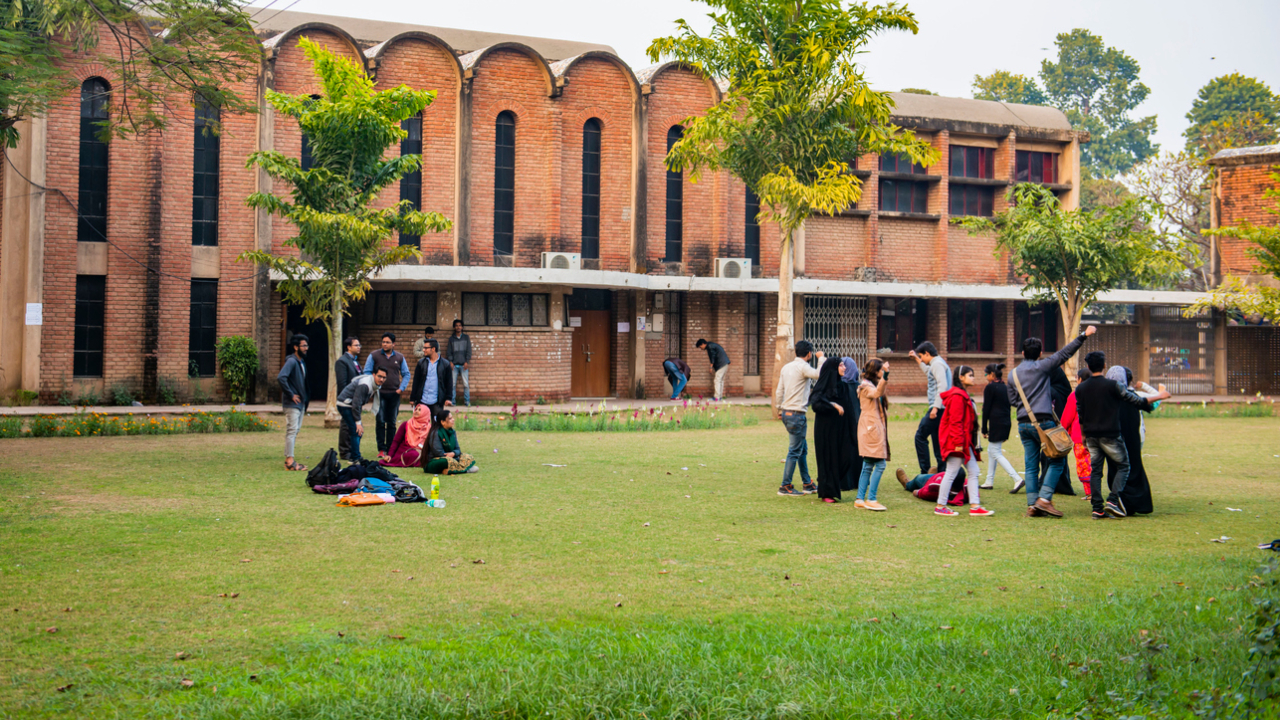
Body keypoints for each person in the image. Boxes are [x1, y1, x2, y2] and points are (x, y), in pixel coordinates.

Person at [1008, 325, 1095, 518]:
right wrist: (1083, 335)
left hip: (1023, 424)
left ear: (1022, 353)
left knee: (1030, 465)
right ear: (1040, 353)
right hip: (1044, 421)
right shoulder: (1044, 366)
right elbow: (1065, 353)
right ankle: (1045, 499)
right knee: (1058, 458)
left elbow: (1013, 401)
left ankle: (1032, 504)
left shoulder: (1012, 374)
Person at [1102, 365, 1168, 516]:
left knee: (1116, 468)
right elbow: (1147, 404)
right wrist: (1159, 395)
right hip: (1132, 438)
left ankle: (1117, 501)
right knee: (1133, 467)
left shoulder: (1108, 397)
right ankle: (1135, 503)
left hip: (1112, 438)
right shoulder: (1131, 396)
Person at [932, 365, 993, 517]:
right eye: (970, 375)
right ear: (961, 377)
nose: (973, 378)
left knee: (973, 471)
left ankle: (975, 505)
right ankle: (941, 505)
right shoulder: (958, 397)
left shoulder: (961, 395)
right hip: (957, 442)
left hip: (964, 442)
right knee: (951, 472)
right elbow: (955, 422)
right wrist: (959, 444)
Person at [773, 341, 826, 496]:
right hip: (797, 414)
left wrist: (779, 408)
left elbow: (779, 390)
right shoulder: (802, 367)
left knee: (802, 449)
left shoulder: (786, 367)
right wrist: (821, 358)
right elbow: (818, 375)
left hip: (787, 413)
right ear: (809, 353)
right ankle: (785, 486)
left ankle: (807, 483)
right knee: (795, 451)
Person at [809, 357, 856, 504]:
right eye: (841, 365)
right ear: (833, 369)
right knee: (828, 460)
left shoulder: (843, 387)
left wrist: (853, 430)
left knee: (845, 458)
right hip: (826, 431)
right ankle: (827, 492)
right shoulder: (822, 388)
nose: (844, 368)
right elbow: (816, 404)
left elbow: (849, 409)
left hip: (841, 430)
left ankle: (832, 485)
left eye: (843, 365)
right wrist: (832, 405)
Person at [363, 332, 411, 456]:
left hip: (394, 394)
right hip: (379, 394)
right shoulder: (374, 355)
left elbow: (406, 374)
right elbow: (367, 372)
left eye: (388, 342)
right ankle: (381, 449)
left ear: (393, 344)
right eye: (383, 342)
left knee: (391, 422)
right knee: (380, 421)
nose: (385, 344)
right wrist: (373, 387)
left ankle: (390, 449)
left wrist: (401, 388)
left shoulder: (399, 357)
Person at [979, 363, 1023, 492]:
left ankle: (1017, 479)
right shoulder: (1006, 387)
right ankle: (989, 481)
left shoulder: (990, 388)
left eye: (986, 374)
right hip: (1005, 422)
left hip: (995, 422)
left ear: (992, 375)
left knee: (995, 452)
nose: (985, 376)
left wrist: (984, 428)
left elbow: (986, 409)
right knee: (992, 451)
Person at [908, 342, 950, 475]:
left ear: (927, 353)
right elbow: (928, 373)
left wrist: (935, 408)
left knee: (920, 436)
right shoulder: (936, 363)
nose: (922, 360)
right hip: (942, 407)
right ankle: (942, 471)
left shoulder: (937, 364)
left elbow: (942, 386)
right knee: (937, 440)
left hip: (939, 407)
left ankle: (925, 470)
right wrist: (916, 359)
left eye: (922, 356)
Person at [855, 357, 891, 511]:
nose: (882, 372)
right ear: (876, 371)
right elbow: (877, 393)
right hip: (871, 429)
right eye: (881, 369)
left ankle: (860, 499)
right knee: (880, 464)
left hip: (871, 427)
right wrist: (886, 376)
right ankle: (871, 498)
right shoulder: (866, 387)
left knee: (868, 465)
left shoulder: (868, 385)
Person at [335, 367, 386, 464]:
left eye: (384, 377)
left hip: (350, 405)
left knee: (357, 431)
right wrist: (358, 422)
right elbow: (356, 404)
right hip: (345, 404)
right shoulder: (365, 385)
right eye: (379, 376)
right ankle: (355, 458)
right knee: (356, 430)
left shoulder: (375, 385)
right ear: (373, 375)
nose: (382, 379)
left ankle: (353, 455)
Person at [1042, 365, 1078, 497]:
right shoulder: (1063, 389)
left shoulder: (1051, 391)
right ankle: (1061, 484)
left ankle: (1049, 484)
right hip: (1061, 428)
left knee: (1050, 456)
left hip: (1051, 428)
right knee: (1060, 456)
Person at [1058, 367, 1093, 499]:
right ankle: (1095, 490)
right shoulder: (1096, 393)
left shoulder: (1075, 395)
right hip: (1096, 434)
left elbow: (1068, 416)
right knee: (1094, 463)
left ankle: (1090, 492)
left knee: (1083, 464)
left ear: (1079, 379)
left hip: (1079, 436)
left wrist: (1063, 430)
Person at [277, 333, 310, 472]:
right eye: (303, 346)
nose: (306, 348)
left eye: (307, 345)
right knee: (292, 430)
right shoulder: (291, 361)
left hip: (300, 403)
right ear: (296, 347)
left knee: (294, 430)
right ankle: (289, 461)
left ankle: (289, 459)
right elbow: (281, 377)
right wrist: (291, 395)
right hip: (292, 404)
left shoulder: (300, 362)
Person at [838, 356, 865, 496]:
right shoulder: (858, 386)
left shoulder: (840, 386)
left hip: (844, 427)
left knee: (845, 452)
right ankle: (857, 481)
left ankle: (846, 481)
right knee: (856, 452)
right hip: (858, 425)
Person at [410, 338, 455, 420]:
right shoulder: (421, 363)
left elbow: (449, 382)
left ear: (433, 349)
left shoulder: (445, 364)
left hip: (437, 401)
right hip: (422, 400)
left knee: (436, 426)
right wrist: (413, 398)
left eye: (426, 348)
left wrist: (448, 398)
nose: (423, 350)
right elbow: (416, 381)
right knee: (421, 424)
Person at [333, 337, 363, 462]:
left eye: (359, 344)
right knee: (346, 424)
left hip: (355, 399)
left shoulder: (355, 361)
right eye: (356, 345)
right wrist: (347, 398)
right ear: (348, 347)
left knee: (352, 425)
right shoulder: (342, 361)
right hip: (347, 399)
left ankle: (351, 449)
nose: (359, 347)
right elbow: (342, 383)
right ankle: (345, 451)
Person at [424, 409, 477, 474]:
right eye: (450, 418)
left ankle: (449, 470)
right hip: (436, 461)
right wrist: (454, 457)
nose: (453, 420)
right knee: (446, 461)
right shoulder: (436, 433)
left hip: (452, 457)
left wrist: (454, 453)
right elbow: (438, 453)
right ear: (443, 422)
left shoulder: (452, 432)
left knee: (468, 457)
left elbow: (458, 449)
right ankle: (465, 470)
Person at [381, 403, 432, 468]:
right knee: (413, 454)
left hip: (422, 450)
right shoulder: (406, 424)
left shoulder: (429, 428)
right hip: (406, 451)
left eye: (419, 410)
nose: (416, 411)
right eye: (416, 409)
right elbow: (396, 441)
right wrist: (389, 455)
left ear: (425, 413)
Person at [894, 466, 969, 506]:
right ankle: (931, 474)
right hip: (938, 477)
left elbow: (917, 492)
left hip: (930, 481)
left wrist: (917, 492)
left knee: (918, 478)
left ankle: (907, 484)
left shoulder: (934, 488)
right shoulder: (967, 486)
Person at [446, 320, 472, 406]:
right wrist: (450, 361)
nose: (458, 327)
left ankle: (467, 402)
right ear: (454, 327)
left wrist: (466, 361)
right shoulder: (451, 339)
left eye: (460, 325)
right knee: (452, 385)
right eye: (456, 325)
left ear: (462, 327)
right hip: (454, 365)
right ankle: (452, 402)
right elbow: (449, 352)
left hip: (463, 365)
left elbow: (469, 350)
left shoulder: (466, 338)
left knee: (466, 384)